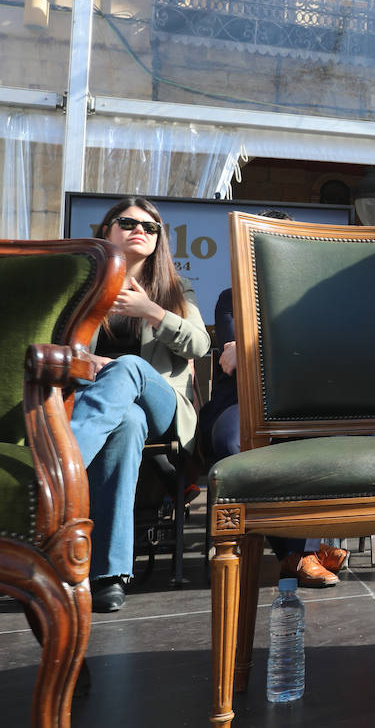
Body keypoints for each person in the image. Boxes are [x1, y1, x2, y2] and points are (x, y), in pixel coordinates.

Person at [70, 197, 211, 613]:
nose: (140, 231)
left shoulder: (173, 289)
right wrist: (88, 362)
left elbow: (200, 344)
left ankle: (61, 469)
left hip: (164, 407)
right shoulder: (84, 286)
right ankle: (110, 575)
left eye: (151, 228)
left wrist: (150, 311)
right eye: (128, 222)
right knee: (127, 422)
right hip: (111, 408)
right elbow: (57, 349)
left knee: (129, 366)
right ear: (107, 230)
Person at [199, 210, 349, 588]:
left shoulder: (316, 297)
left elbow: (321, 358)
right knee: (230, 443)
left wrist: (256, 348)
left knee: (311, 444)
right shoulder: (231, 297)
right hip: (240, 400)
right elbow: (233, 362)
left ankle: (299, 554)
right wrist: (287, 349)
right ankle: (300, 552)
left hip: (299, 401)